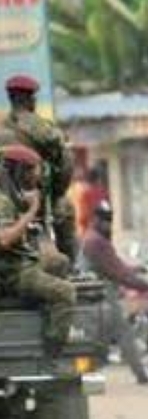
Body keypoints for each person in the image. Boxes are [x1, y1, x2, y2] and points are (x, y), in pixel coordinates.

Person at [0, 144, 75, 352]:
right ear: (18, 171)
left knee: (60, 262)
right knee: (66, 292)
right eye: (33, 169)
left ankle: (39, 306)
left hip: (18, 263)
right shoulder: (3, 201)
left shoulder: (12, 194)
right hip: (12, 272)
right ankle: (52, 349)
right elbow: (4, 240)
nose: (37, 175)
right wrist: (32, 210)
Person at [3, 75, 77, 262]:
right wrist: (58, 192)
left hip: (5, 198)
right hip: (34, 199)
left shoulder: (3, 125)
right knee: (65, 209)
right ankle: (71, 266)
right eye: (33, 98)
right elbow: (65, 160)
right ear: (28, 99)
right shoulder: (38, 127)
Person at [79, 200, 148, 384]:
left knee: (100, 339)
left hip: (93, 296)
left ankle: (89, 374)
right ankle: (141, 375)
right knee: (124, 334)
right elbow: (118, 272)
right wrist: (145, 285)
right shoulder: (96, 242)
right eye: (104, 220)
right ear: (96, 219)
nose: (108, 224)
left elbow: (116, 264)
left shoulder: (92, 238)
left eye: (109, 220)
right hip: (100, 296)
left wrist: (139, 268)